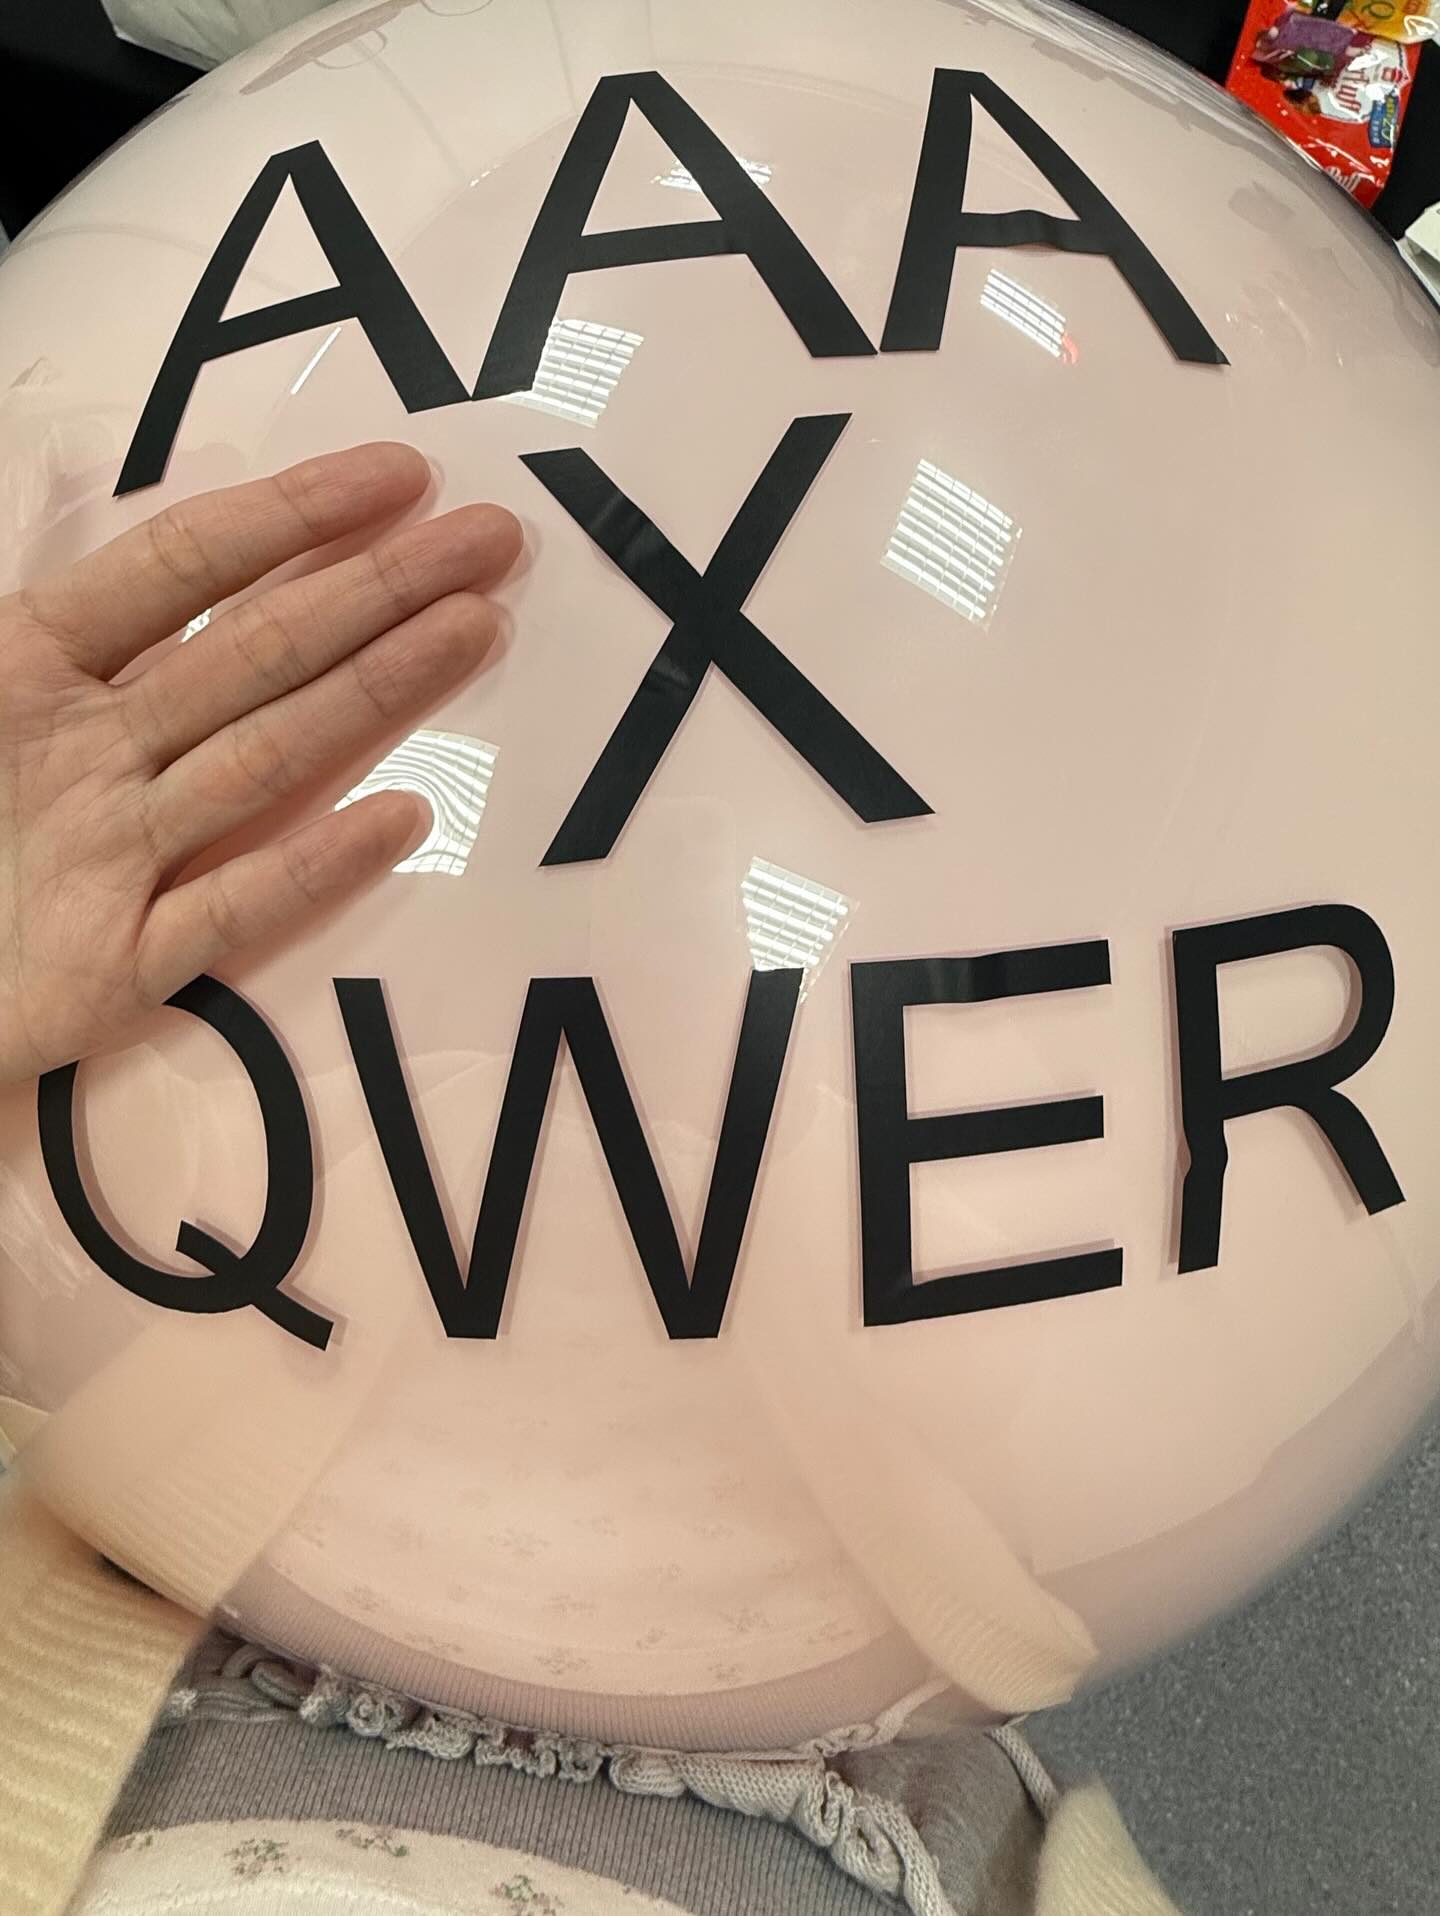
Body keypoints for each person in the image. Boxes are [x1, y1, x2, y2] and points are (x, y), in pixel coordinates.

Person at [0, 449, 1181, 1916]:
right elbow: (105, 1227)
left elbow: (1026, 1387)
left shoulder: (836, 1143)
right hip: (252, 1674)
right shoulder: (340, 1115)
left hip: (819, 1731)